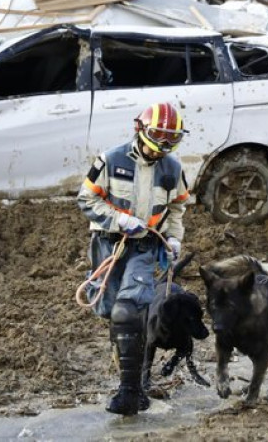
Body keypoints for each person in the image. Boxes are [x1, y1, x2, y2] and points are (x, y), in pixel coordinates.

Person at [77, 102, 191, 415]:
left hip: (145, 247)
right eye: (158, 136)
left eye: (172, 138)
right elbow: (86, 198)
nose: (163, 145)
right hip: (109, 244)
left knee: (131, 309)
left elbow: (177, 208)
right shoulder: (110, 160)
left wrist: (174, 238)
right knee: (110, 310)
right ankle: (128, 361)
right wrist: (119, 220)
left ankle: (130, 392)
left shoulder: (173, 169)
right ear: (140, 130)